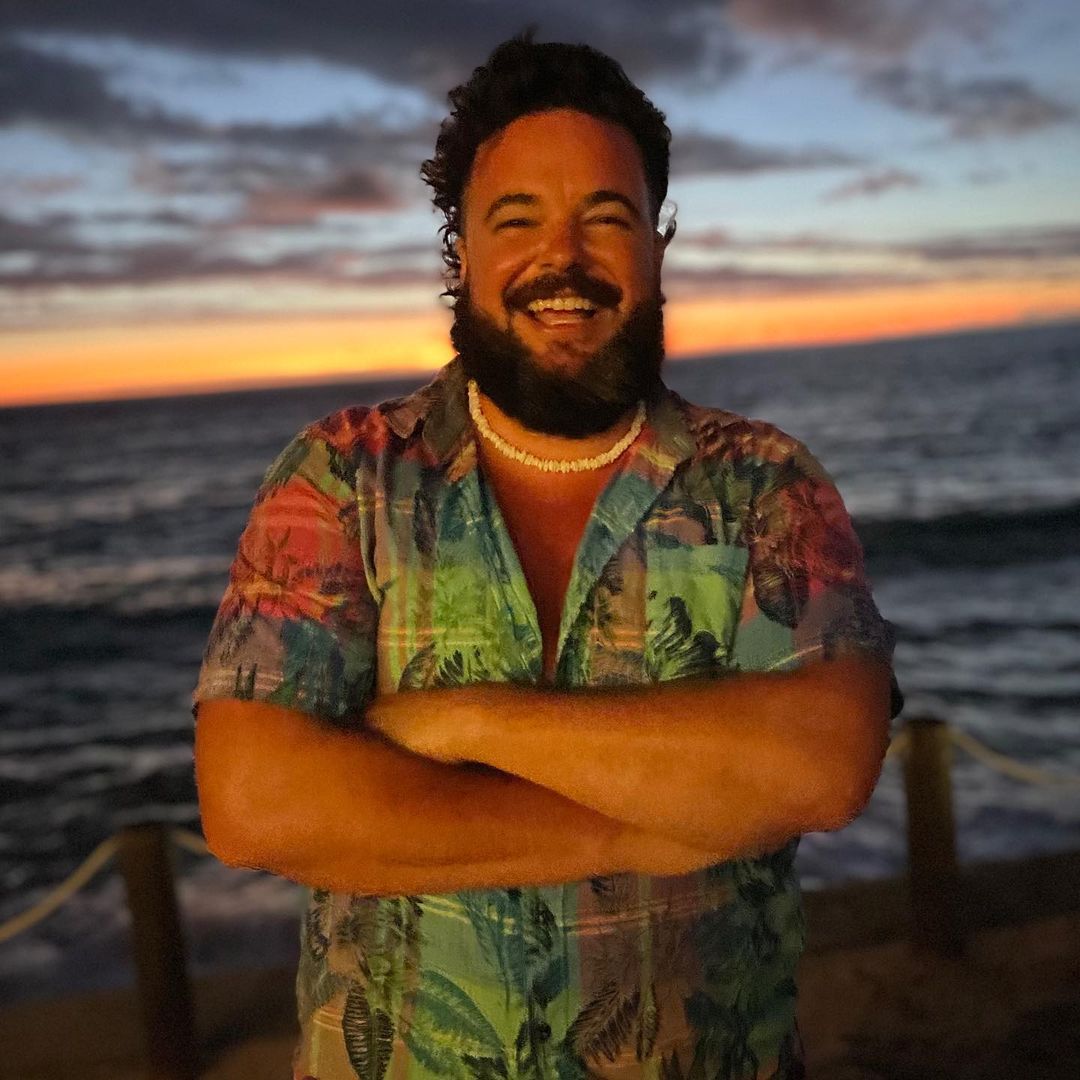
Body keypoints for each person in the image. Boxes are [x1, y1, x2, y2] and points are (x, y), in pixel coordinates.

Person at [194, 32, 901, 1080]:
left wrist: (463, 722)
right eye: (517, 219)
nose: (561, 258)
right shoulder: (342, 477)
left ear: (657, 246)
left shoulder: (762, 482)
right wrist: (644, 831)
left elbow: (825, 762)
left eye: (606, 218)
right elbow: (255, 801)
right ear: (461, 256)